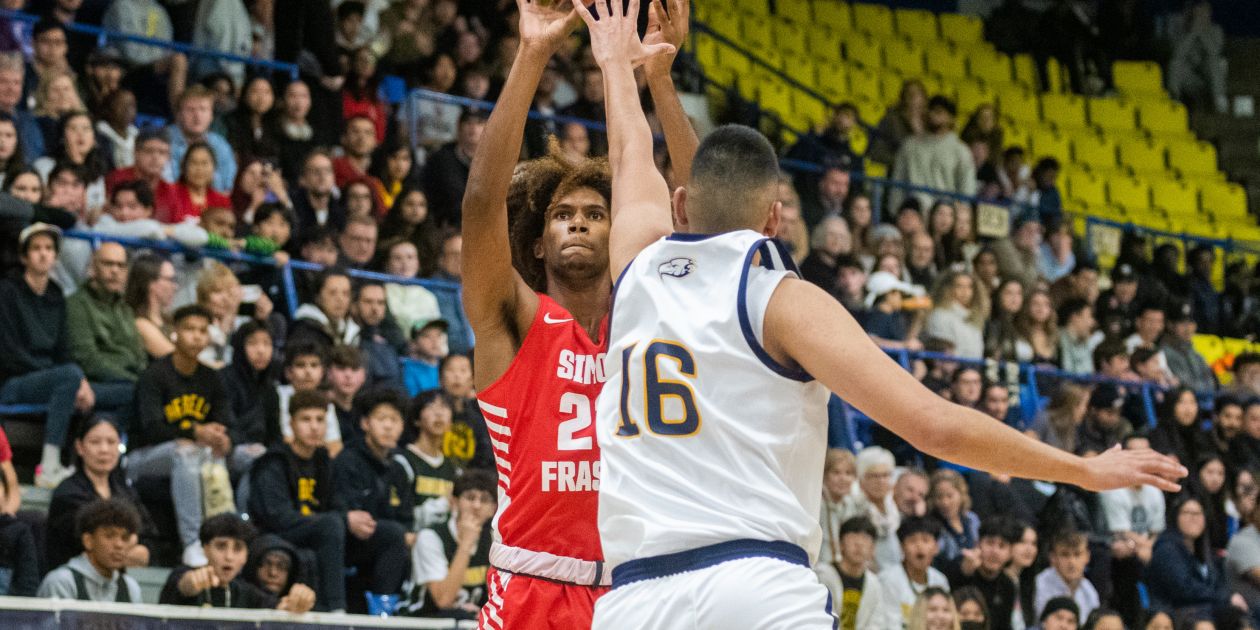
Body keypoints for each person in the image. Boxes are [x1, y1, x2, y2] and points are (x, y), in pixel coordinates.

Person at [586, 0, 1183, 622]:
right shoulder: (781, 301)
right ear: (774, 220)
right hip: (753, 584)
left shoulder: (633, 268)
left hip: (634, 597)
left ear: (679, 205)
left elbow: (630, 154)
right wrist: (1082, 468)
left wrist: (620, 67)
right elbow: (934, 426)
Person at [463, 1, 697, 627]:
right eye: (563, 214)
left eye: (596, 214)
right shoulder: (513, 321)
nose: (579, 222)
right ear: (538, 242)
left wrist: (661, 79)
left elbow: (709, 217)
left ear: (617, 231)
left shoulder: (647, 320)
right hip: (530, 583)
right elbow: (482, 204)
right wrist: (532, 52)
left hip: (632, 589)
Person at [128, 305, 241, 567]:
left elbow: (227, 422)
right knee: (187, 452)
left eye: (203, 331)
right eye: (190, 329)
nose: (197, 336)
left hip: (196, 454)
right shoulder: (154, 376)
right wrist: (194, 432)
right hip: (142, 458)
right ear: (174, 333)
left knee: (246, 456)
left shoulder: (211, 378)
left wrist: (225, 439)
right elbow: (151, 428)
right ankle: (193, 542)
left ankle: (231, 539)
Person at [0, 223, 91, 487]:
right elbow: (8, 353)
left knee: (99, 390)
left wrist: (80, 380)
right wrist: (64, 375)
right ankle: (49, 465)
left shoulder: (56, 294)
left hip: (51, 378)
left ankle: (81, 469)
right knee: (68, 377)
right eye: (36, 248)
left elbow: (64, 349)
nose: (43, 254)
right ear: (23, 256)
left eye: (49, 248)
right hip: (12, 382)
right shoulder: (7, 291)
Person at [248, 389, 349, 612]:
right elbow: (276, 516)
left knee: (385, 534)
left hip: (316, 533)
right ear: (291, 423)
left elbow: (340, 505)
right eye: (306, 419)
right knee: (330, 525)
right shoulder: (274, 462)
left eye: (320, 420)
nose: (314, 427)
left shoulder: (325, 462)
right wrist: (320, 522)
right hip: (275, 534)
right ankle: (336, 610)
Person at [332, 387, 415, 610]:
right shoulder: (348, 460)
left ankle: (410, 605)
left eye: (394, 420)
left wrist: (409, 534)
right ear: (365, 423)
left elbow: (407, 517)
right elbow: (339, 507)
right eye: (381, 419)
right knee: (393, 535)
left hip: (387, 543)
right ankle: (383, 609)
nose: (388, 426)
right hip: (349, 543)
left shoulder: (399, 468)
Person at [47, 417, 156, 572]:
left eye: (111, 442)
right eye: (95, 442)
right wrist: (129, 546)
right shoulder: (67, 493)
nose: (104, 449)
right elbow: (87, 544)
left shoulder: (125, 490)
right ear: (79, 447)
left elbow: (148, 535)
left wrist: (144, 550)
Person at [160, 513, 316, 612]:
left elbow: (279, 606)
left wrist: (301, 600)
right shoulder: (181, 574)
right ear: (205, 549)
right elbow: (183, 585)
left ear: (246, 556)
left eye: (238, 549)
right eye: (221, 546)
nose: (229, 556)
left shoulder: (246, 592)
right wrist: (190, 584)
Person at [65, 242, 145, 432]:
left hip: (125, 382)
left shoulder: (124, 309)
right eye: (108, 264)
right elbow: (88, 360)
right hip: (92, 384)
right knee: (138, 393)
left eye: (121, 266)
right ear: (93, 267)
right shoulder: (76, 305)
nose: (115, 271)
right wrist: (133, 379)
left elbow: (138, 354)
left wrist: (145, 378)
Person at [401, 469, 497, 618]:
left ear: (493, 509)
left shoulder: (493, 540)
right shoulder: (430, 537)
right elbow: (443, 600)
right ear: (454, 502)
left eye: (484, 500)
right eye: (470, 498)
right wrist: (466, 544)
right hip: (424, 620)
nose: (477, 506)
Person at [1145, 496, 1244, 620]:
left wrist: (1228, 596)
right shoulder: (1166, 548)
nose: (1193, 518)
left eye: (1198, 513)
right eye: (1187, 513)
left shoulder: (1204, 550)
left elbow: (1218, 583)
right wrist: (1225, 598)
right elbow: (1184, 589)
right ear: (1176, 517)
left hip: (1205, 608)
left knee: (1242, 613)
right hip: (1173, 611)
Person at [37, 499, 143, 602]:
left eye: (125, 538)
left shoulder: (131, 588)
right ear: (88, 541)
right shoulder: (62, 582)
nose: (119, 545)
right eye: (109, 536)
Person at [890, 95, 976, 211]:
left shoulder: (960, 150)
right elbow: (898, 182)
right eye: (930, 110)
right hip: (913, 212)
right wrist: (895, 211)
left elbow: (967, 190)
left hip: (946, 215)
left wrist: (961, 215)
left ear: (951, 118)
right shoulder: (909, 145)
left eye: (939, 111)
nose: (933, 114)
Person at [815, 516, 894, 630]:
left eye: (865, 538)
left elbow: (877, 623)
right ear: (841, 544)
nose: (859, 544)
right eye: (852, 537)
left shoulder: (874, 584)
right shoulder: (822, 575)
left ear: (873, 549)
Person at [395, 389, 458, 531]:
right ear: (416, 419)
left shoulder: (452, 468)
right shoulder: (402, 461)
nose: (439, 413)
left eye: (445, 407)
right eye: (430, 406)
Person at [945, 516, 1021, 630]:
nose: (995, 552)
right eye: (990, 543)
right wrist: (963, 572)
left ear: (1010, 553)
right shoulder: (960, 569)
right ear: (978, 544)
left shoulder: (1008, 585)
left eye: (1002, 546)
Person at [880, 516, 950, 628]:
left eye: (925, 540)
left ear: (936, 547)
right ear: (902, 547)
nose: (919, 546)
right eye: (912, 541)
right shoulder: (888, 580)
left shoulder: (940, 580)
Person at [163, 86, 237, 193]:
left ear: (211, 115)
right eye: (190, 110)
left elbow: (226, 188)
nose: (197, 116)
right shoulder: (164, 140)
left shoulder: (220, 145)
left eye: (203, 109)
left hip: (212, 205)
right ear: (179, 115)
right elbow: (167, 185)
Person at [352, 280, 406, 391]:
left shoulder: (391, 339)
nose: (375, 308)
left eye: (380, 303)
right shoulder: (348, 335)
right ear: (354, 305)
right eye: (368, 302)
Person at [1034, 531, 1100, 621]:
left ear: (1087, 557)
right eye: (1065, 555)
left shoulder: (1088, 590)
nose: (1071, 562)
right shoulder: (1039, 585)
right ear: (1053, 558)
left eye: (1077, 554)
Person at [929, 469, 980, 567]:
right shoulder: (933, 526)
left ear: (961, 495)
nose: (945, 502)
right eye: (939, 497)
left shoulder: (972, 519)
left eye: (950, 496)